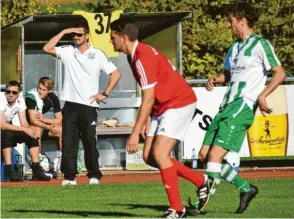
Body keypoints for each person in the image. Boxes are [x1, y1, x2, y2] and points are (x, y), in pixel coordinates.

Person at [109, 19, 212, 218]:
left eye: (113, 38)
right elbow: (152, 94)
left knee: (161, 154)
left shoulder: (141, 56)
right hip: (162, 106)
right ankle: (200, 180)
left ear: (123, 38)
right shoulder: (133, 56)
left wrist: (134, 133)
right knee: (149, 156)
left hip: (178, 102)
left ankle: (177, 209)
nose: (111, 42)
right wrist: (148, 117)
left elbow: (147, 98)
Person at [196, 2, 286, 214]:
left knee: (215, 156)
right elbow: (229, 74)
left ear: (242, 21)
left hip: (243, 105)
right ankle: (246, 188)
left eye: (231, 22)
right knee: (204, 154)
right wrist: (216, 79)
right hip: (226, 104)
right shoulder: (235, 47)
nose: (230, 26)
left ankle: (200, 205)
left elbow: (279, 72)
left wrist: (262, 95)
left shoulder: (260, 44)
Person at [43, 22, 122, 185]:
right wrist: (64, 30)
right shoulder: (67, 51)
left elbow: (116, 74)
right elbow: (47, 48)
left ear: (87, 36)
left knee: (89, 141)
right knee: (69, 142)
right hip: (70, 104)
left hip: (90, 105)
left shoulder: (98, 54)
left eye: (79, 34)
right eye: (74, 35)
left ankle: (94, 175)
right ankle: (69, 177)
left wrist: (104, 93)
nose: (76, 37)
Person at [1, 80, 51, 181]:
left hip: (6, 129)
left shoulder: (20, 100)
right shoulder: (1, 99)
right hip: (3, 129)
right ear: (5, 91)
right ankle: (8, 172)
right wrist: (25, 129)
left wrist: (30, 130)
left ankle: (36, 171)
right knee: (7, 134)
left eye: (14, 92)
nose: (10, 94)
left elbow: (24, 122)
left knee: (31, 134)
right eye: (8, 91)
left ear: (18, 93)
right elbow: (3, 125)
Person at [24, 77, 62, 176]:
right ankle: (38, 162)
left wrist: (44, 120)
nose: (40, 91)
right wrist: (48, 127)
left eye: (44, 89)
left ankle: (65, 161)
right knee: (37, 128)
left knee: (61, 130)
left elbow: (59, 119)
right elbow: (33, 120)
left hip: (40, 123)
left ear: (49, 91)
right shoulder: (31, 96)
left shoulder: (53, 97)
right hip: (24, 125)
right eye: (39, 88)